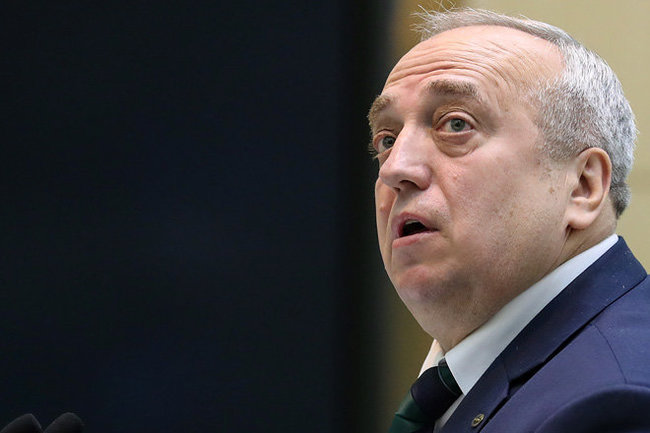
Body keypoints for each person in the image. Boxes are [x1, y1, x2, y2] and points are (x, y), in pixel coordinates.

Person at [368, 8, 650, 433]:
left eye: (456, 124)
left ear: (582, 186)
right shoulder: (466, 385)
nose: (394, 168)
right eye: (387, 140)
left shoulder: (616, 406)